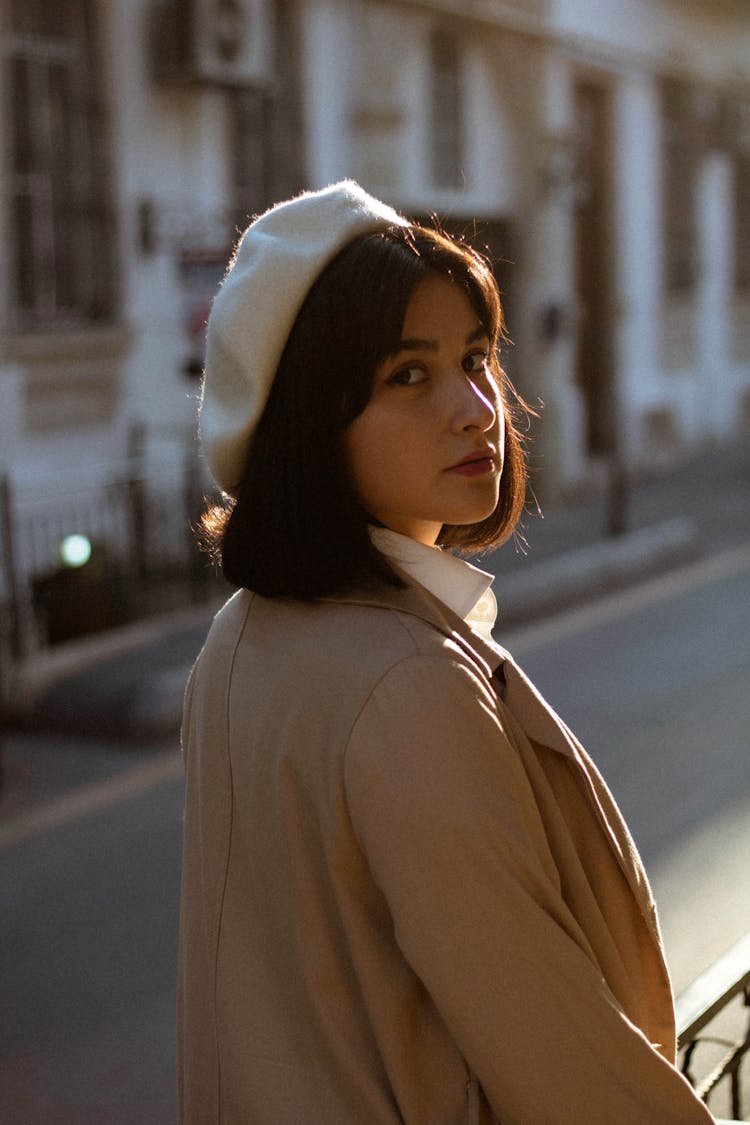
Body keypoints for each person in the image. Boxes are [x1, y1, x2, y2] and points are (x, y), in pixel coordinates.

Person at [177, 180, 713, 1124]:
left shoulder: (242, 635)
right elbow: (565, 1064)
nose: (476, 409)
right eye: (408, 376)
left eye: (475, 357)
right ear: (311, 418)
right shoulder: (409, 688)